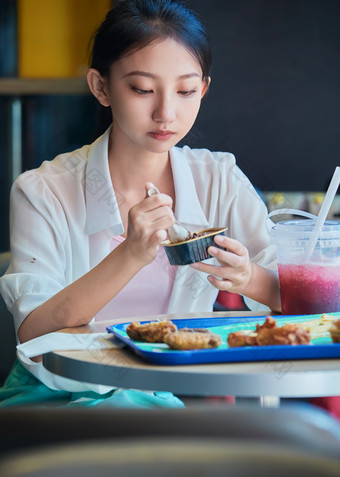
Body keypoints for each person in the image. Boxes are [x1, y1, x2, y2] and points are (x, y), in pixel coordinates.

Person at [0, 0, 280, 408]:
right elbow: (35, 334)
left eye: (185, 91)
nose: (166, 112)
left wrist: (247, 277)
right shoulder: (42, 191)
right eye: (143, 89)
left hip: (166, 397)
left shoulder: (218, 178)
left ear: (202, 89)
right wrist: (130, 254)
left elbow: (305, 300)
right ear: (101, 87)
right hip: (57, 394)